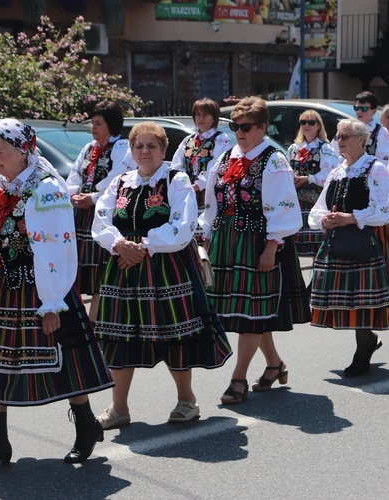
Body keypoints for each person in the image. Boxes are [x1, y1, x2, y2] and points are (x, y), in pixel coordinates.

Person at [0, 119, 114, 473]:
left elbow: (54, 249)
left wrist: (51, 302)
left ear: (23, 151)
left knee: (59, 355)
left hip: (38, 284)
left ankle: (87, 427)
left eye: (0, 152)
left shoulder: (46, 188)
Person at [92, 121, 232, 429]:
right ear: (131, 150)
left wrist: (143, 246)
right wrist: (118, 243)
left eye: (151, 146)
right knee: (120, 337)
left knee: (175, 335)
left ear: (163, 150)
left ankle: (187, 400)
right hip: (123, 267)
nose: (144, 151)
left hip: (165, 267)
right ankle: (119, 407)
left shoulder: (176, 179)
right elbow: (101, 219)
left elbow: (183, 226)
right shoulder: (121, 182)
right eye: (138, 146)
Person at [199, 96, 310, 404]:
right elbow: (211, 203)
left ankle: (238, 379)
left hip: (258, 241)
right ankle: (274, 364)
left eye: (246, 127)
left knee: (251, 313)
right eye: (235, 126)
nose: (239, 132)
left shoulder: (273, 160)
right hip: (225, 240)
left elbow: (285, 208)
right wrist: (206, 236)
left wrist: (272, 246)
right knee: (246, 311)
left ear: (262, 127)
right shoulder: (225, 158)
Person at [309, 118, 389, 375]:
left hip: (365, 240)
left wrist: (351, 217)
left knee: (361, 300)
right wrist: (324, 219)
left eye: (345, 136)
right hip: (338, 241)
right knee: (348, 299)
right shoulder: (337, 172)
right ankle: (366, 342)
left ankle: (362, 352)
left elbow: (384, 210)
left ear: (362, 139)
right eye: (338, 136)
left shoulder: (375, 169)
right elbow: (318, 209)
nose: (340, 141)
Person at [66, 101, 134, 325]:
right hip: (83, 214)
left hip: (104, 211)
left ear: (111, 125)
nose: (93, 128)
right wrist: (73, 194)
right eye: (92, 123)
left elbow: (118, 177)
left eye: (98, 123)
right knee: (81, 267)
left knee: (100, 270)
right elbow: (76, 173)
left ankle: (94, 324)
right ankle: (83, 323)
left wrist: (93, 197)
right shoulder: (89, 148)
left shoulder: (122, 147)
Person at [170, 98, 231, 235]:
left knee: (205, 231)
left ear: (214, 118)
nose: (201, 118)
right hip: (186, 192)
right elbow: (177, 164)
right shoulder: (188, 140)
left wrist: (198, 185)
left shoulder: (220, 139)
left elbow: (216, 167)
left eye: (205, 115)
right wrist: (183, 183)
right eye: (198, 114)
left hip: (208, 192)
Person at [287, 109, 339, 256]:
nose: (306, 125)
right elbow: (286, 170)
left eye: (311, 122)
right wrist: (293, 178)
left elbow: (330, 174)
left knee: (317, 248)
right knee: (294, 246)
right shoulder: (293, 148)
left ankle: (316, 278)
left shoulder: (325, 148)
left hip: (315, 201)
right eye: (303, 122)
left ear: (319, 126)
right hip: (295, 202)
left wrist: (308, 178)